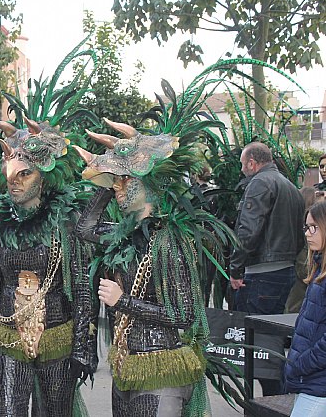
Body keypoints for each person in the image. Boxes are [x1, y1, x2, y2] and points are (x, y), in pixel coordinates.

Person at [73, 118, 234, 416]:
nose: (120, 188)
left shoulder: (168, 241)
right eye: (117, 180)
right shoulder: (122, 234)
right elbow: (84, 229)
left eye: (127, 180)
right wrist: (109, 180)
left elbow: (184, 315)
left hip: (162, 368)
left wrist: (123, 301)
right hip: (127, 365)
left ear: (149, 182)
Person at [0, 118, 93, 416]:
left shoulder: (66, 222)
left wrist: (82, 347)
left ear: (43, 175)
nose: (15, 183)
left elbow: (81, 288)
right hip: (8, 335)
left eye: (25, 174)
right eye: (10, 174)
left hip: (56, 336)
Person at [230, 142, 305, 396]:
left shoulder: (260, 183)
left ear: (252, 162)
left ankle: (274, 402)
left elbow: (248, 232)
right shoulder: (289, 186)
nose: (242, 170)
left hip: (262, 273)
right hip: (283, 270)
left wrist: (235, 269)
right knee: (270, 341)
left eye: (243, 165)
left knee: (258, 346)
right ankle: (278, 400)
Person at [284, 200, 326, 417]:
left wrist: (301, 364)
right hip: (316, 378)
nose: (307, 233)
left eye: (314, 227)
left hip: (325, 382)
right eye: (306, 227)